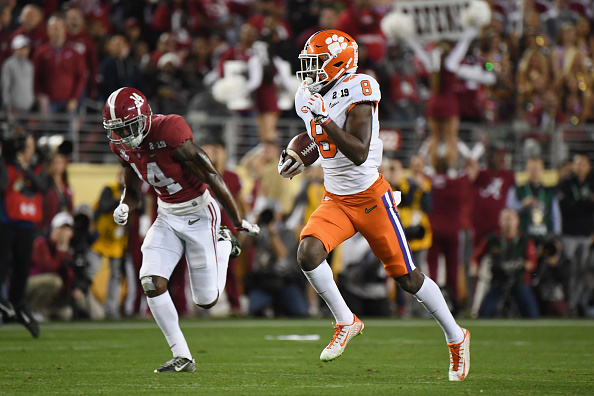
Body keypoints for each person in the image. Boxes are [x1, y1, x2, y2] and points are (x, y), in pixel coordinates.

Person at [278, 30, 470, 381]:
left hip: (370, 199)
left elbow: (357, 151)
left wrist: (324, 119)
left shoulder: (360, 88)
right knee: (307, 253)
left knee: (408, 279)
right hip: (336, 197)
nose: (309, 71)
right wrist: (296, 154)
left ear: (338, 63)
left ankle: (456, 337)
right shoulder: (306, 94)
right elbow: (314, 139)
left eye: (316, 63)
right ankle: (345, 320)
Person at [102, 87, 260, 372]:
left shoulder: (170, 131)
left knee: (206, 300)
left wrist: (235, 221)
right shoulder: (122, 145)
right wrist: (125, 205)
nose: (124, 136)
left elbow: (212, 175)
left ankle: (224, 243)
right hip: (166, 215)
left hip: (199, 212)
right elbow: (133, 188)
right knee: (151, 281)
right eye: (118, 130)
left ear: (144, 117)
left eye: (128, 127)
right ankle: (182, 356)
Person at [0, 133, 48, 337]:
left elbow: (43, 187)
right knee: (2, 265)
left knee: (22, 269)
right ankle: (6, 304)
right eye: (23, 147)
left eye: (28, 147)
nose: (25, 151)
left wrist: (25, 168)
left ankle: (16, 304)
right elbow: (3, 185)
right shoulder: (6, 166)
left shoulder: (35, 169)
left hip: (26, 225)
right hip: (6, 223)